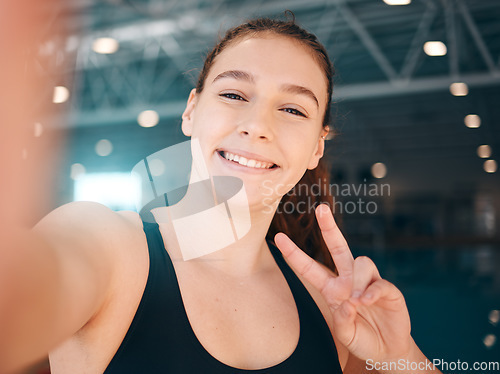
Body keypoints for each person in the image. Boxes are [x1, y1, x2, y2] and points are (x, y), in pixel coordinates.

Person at [0, 16, 442, 374]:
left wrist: (400, 357)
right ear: (191, 111)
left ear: (316, 148)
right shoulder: (107, 246)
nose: (257, 125)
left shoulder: (330, 308)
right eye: (233, 93)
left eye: (292, 109)